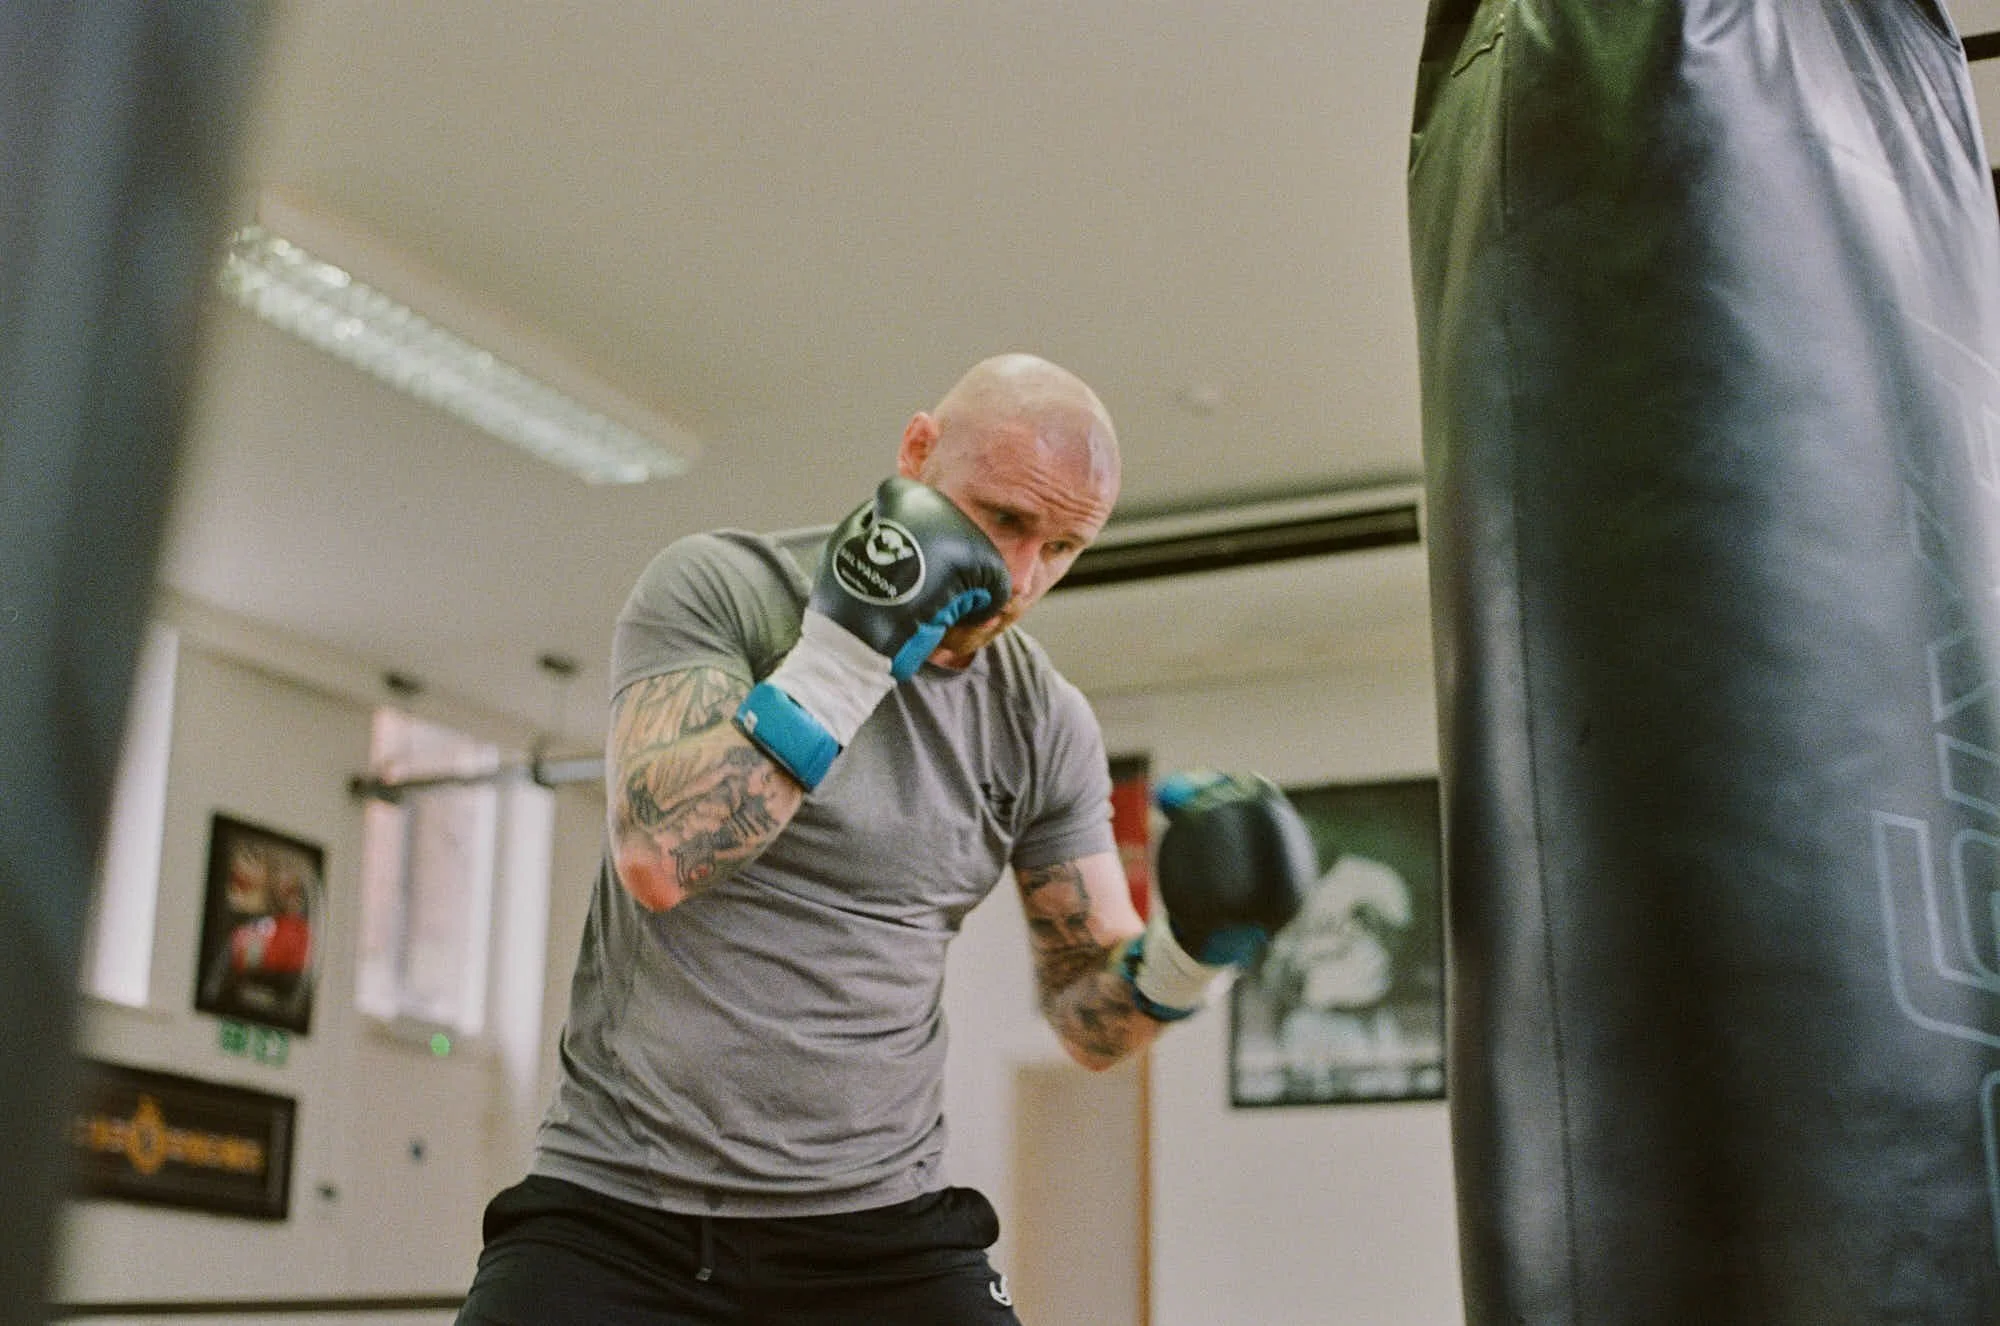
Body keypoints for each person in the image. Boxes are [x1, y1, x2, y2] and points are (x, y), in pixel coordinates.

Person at [455, 353, 1314, 1325]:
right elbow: (661, 856)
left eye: (1065, 547)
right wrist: (848, 650)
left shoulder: (1040, 719)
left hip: (877, 1237)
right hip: (620, 1216)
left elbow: (1084, 1019)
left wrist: (1190, 952)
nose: (1019, 579)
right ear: (916, 455)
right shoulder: (724, 589)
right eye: (1003, 521)